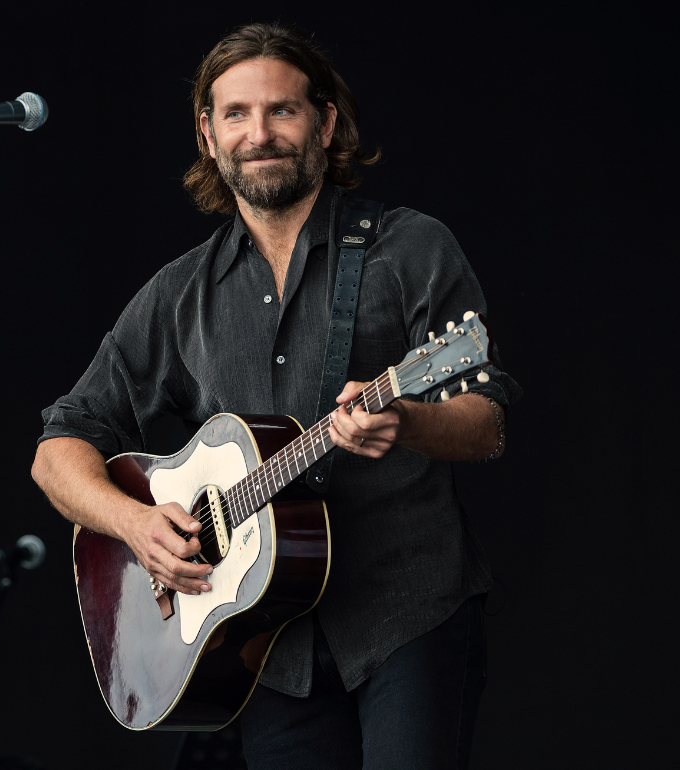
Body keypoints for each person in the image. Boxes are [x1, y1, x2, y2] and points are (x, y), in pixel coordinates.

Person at [31, 22, 521, 770]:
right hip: (267, 650)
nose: (259, 133)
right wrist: (134, 523)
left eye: (282, 111)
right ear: (208, 133)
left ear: (325, 123)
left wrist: (407, 420)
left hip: (407, 613)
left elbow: (485, 424)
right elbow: (58, 448)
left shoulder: (409, 247)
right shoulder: (179, 295)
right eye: (236, 114)